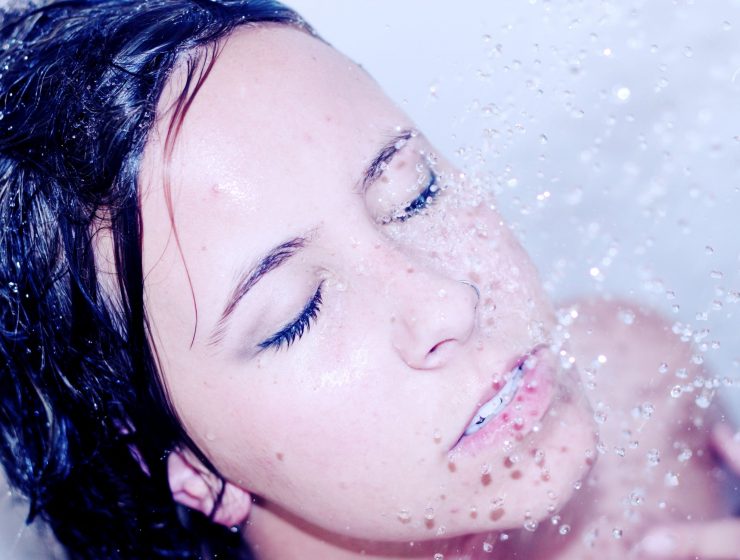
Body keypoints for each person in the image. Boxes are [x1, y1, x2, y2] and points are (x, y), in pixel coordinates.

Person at [0, 1, 736, 558]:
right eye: (297, 313)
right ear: (190, 468)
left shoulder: (636, 390)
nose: (449, 301)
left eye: (412, 192)